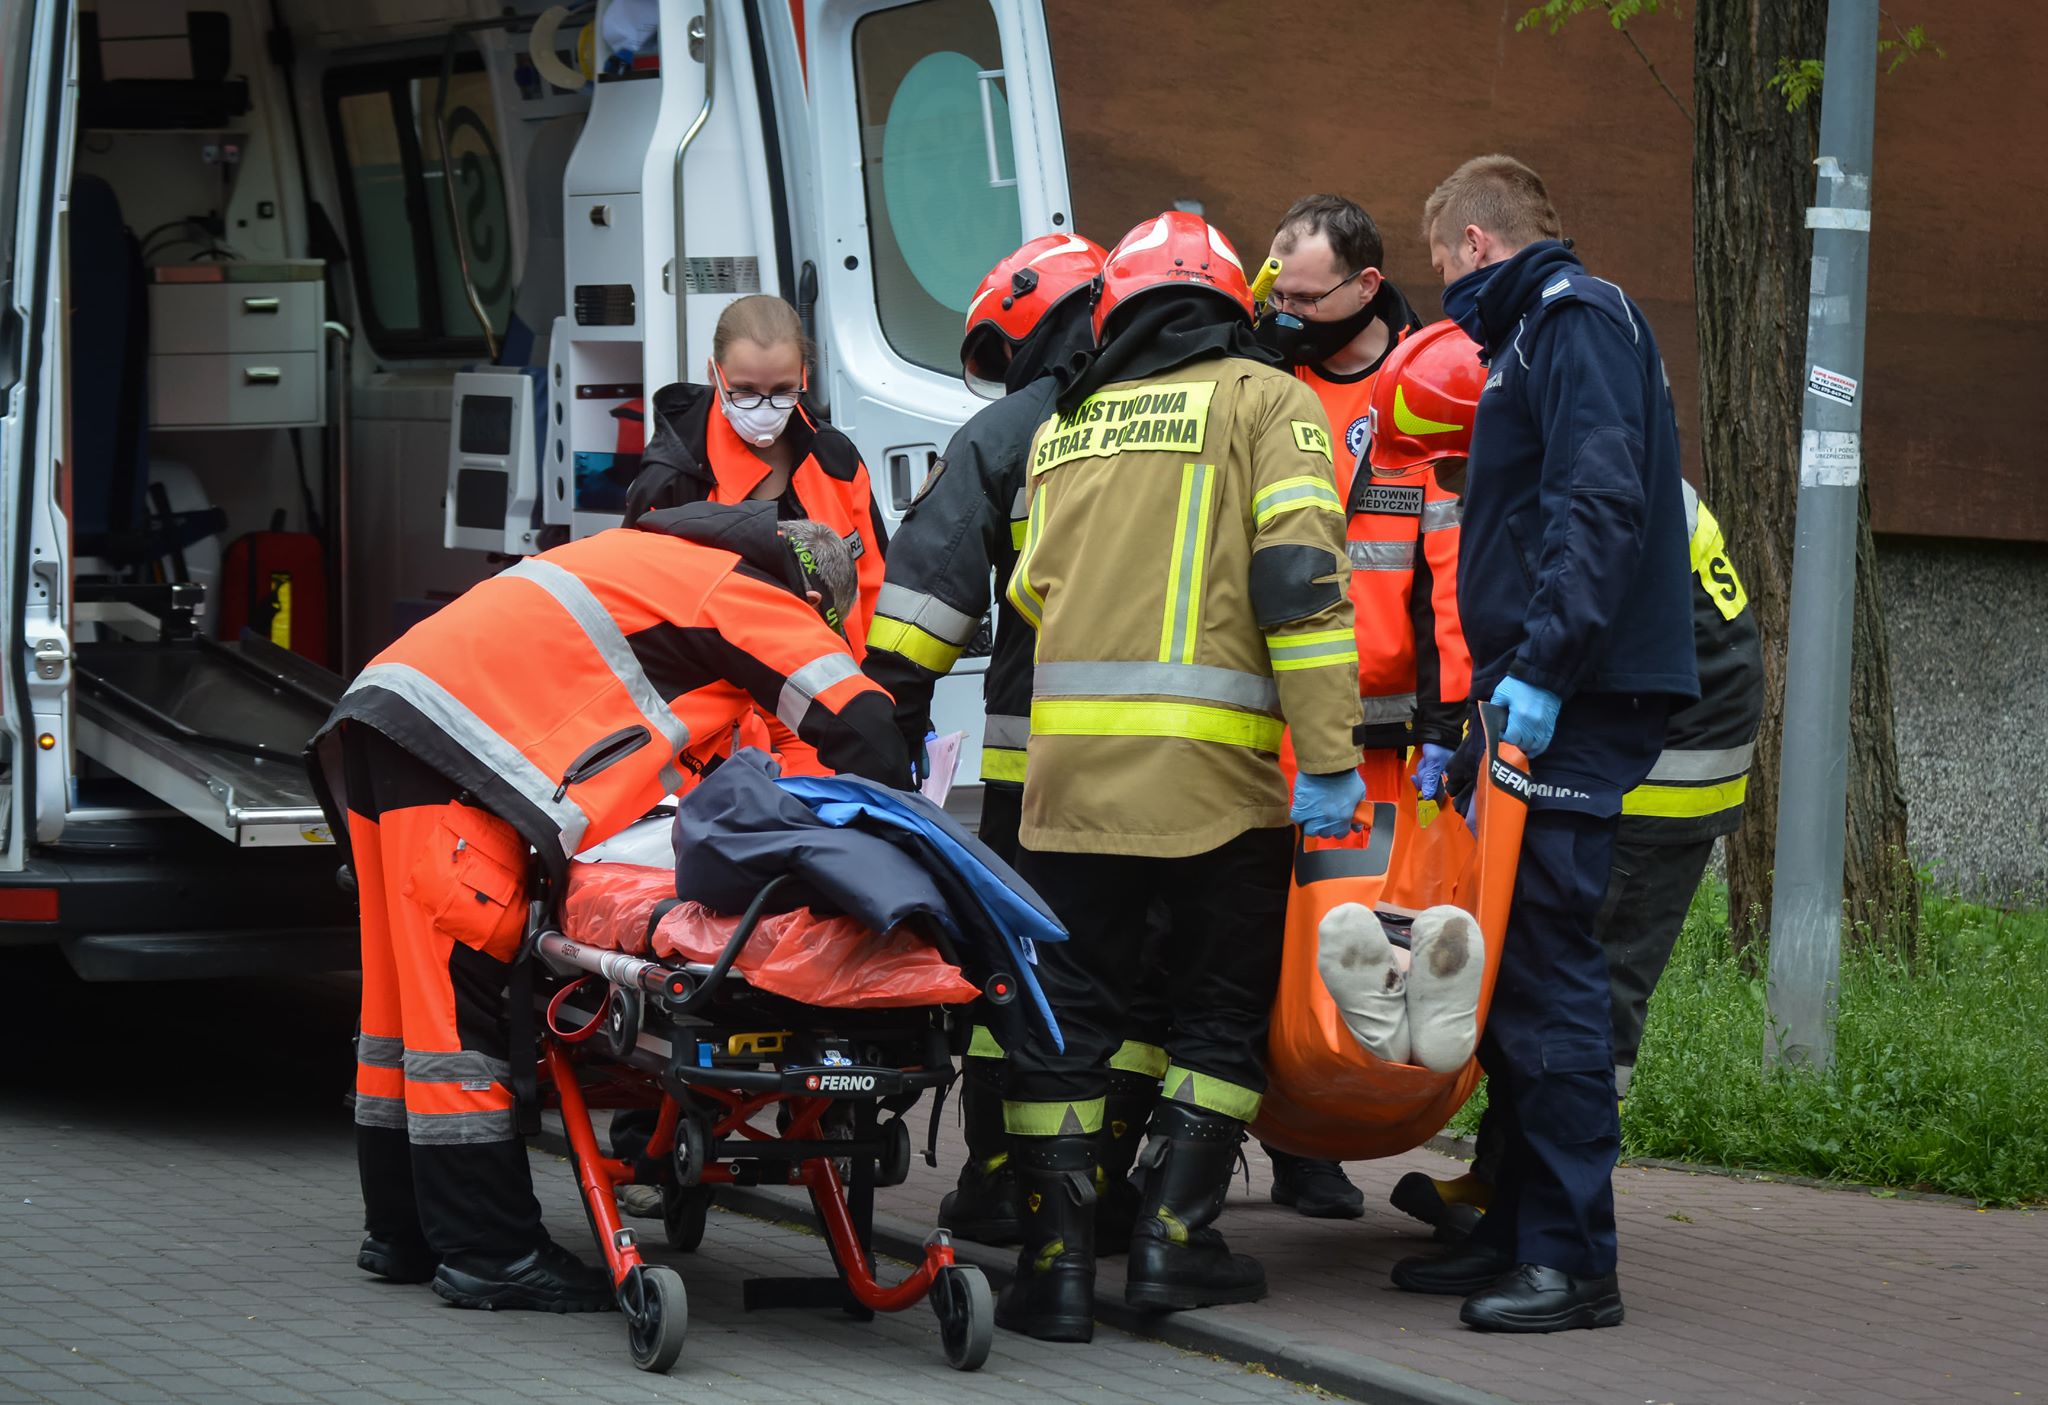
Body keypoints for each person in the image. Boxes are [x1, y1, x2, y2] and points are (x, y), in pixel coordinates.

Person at [310, 503, 908, 1314]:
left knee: (400, 1009)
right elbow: (858, 717)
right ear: (813, 606)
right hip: (452, 751)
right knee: (461, 1011)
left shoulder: (653, 561)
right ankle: (490, 1250)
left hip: (391, 722)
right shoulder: (747, 595)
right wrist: (901, 842)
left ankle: (404, 1230)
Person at [995, 211, 1365, 1342]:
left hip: (1067, 792)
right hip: (1215, 787)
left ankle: (1056, 1270)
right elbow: (1299, 586)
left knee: (1071, 1027)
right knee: (1214, 1016)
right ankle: (1171, 1244)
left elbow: (1027, 596)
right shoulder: (1267, 402)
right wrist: (1334, 760)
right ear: (1227, 305)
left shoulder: (1063, 425)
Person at [1387, 155, 1697, 1334]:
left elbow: (1594, 503)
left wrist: (1541, 675)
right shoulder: (1544, 336)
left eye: (1440, 266)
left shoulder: (1571, 322)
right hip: (1550, 691)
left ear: (1474, 242)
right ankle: (1516, 1231)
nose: (1444, 293)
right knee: (1516, 966)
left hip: (1579, 691)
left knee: (1546, 976)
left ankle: (1572, 1263)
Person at [860, 232, 1170, 1251]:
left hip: (1034, 770)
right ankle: (1115, 1195)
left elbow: (916, 614)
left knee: (1024, 972)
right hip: (1189, 771)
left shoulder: (1011, 433)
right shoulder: (1199, 417)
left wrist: (886, 732)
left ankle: (1008, 1187)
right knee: (1142, 987)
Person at [1391, 477, 1765, 1237]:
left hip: (1668, 749)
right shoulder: (1569, 436)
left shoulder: (1587, 456)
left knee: (1590, 978)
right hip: (1649, 715)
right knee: (1548, 960)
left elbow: (1572, 620)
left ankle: (1548, 1206)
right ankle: (1511, 1179)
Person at [1252, 195, 1433, 1221]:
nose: (1289, 308)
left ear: (1365, 288)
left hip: (1392, 735)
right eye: (1279, 289)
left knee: (1355, 939)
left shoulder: (1431, 380)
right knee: (1258, 938)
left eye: (1308, 294)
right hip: (1278, 715)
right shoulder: (1268, 376)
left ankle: (1312, 1140)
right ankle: (1270, 1130)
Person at [624, 295, 890, 652]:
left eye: (782, 391)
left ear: (803, 377)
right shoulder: (672, 480)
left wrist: (881, 692)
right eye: (746, 391)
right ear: (713, 374)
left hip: (838, 687)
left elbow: (874, 583)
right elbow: (643, 616)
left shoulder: (835, 458)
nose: (764, 409)